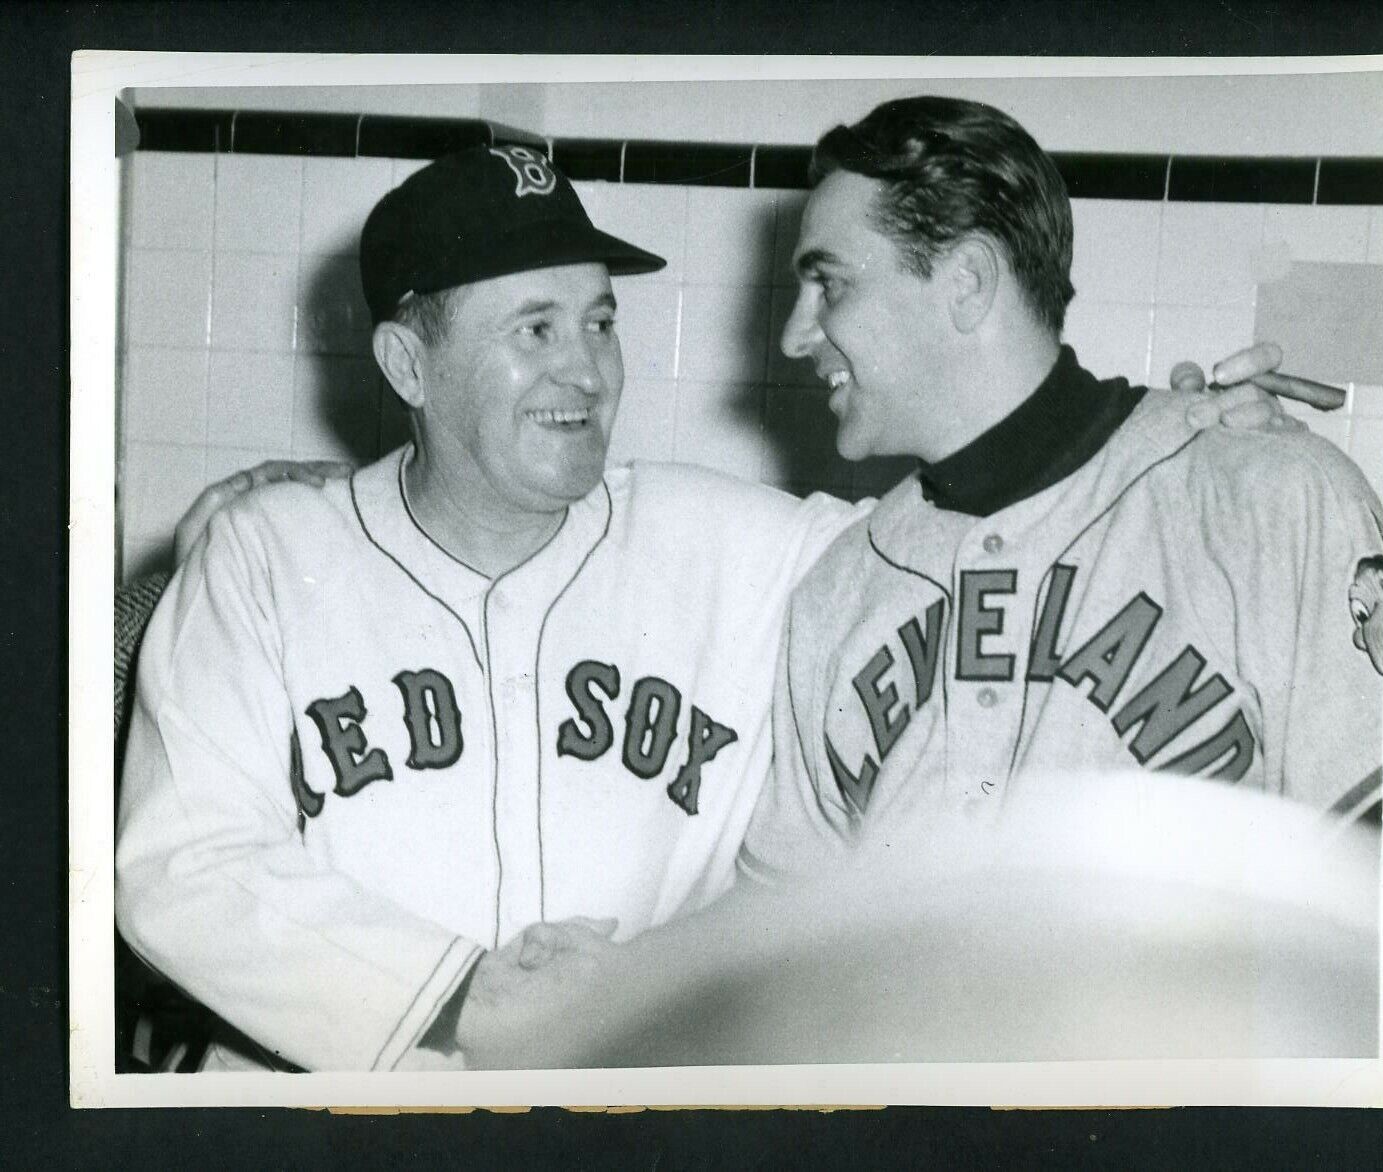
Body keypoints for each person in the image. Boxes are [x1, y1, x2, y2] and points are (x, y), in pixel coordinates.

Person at [115, 140, 1318, 1074]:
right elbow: (179, 862)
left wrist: (1168, 442)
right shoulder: (268, 558)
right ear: (407, 367)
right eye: (534, 328)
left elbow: (1003, 522)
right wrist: (462, 990)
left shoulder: (745, 543)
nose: (585, 368)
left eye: (599, 320)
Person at [739, 97, 1383, 883]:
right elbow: (782, 947)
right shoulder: (838, 591)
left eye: (829, 285)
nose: (794, 334)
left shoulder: (1270, 498)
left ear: (967, 282)